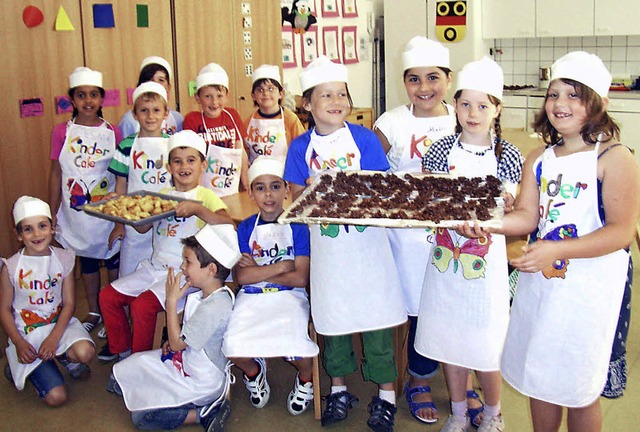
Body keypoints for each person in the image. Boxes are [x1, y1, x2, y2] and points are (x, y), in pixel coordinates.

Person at [470, 51, 639, 432]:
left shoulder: (615, 158)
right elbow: (528, 217)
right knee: (540, 374)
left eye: (574, 95)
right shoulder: (539, 158)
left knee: (579, 384)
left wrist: (557, 249)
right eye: (553, 94)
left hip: (590, 289)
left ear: (600, 103)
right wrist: (487, 222)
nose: (560, 104)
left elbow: (621, 231)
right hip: (542, 283)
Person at [284, 56, 407, 432]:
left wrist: (344, 192)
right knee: (333, 322)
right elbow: (293, 195)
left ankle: (386, 395)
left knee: (378, 321)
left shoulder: (364, 139)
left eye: (342, 94)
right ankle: (337, 389)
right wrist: (312, 193)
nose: (336, 101)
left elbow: (381, 190)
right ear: (307, 103)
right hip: (328, 255)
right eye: (326, 95)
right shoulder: (299, 147)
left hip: (370, 253)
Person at [373, 36, 482, 425]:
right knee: (421, 311)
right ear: (404, 83)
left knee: (461, 307)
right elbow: (371, 173)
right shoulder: (391, 123)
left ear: (448, 79)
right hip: (409, 240)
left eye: (433, 77)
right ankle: (418, 379)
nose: (424, 88)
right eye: (414, 79)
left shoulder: (465, 115)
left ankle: (464, 380)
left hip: (458, 235)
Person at [417, 56, 524, 432]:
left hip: (486, 266)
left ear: (497, 109)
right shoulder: (439, 149)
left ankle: (493, 413)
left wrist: (500, 212)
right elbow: (427, 199)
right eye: (465, 104)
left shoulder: (508, 155)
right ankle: (459, 412)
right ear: (455, 106)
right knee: (450, 341)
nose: (472, 113)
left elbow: (508, 210)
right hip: (445, 261)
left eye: (483, 105)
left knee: (486, 343)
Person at [99, 130, 233, 364]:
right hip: (154, 268)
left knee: (142, 307)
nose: (184, 166)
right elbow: (142, 228)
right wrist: (121, 207)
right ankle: (122, 350)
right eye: (177, 161)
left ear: (203, 165)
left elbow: (228, 224)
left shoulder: (206, 196)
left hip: (184, 275)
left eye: (191, 160)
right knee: (108, 295)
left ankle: (139, 361)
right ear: (169, 167)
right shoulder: (161, 195)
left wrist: (198, 210)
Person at [111, 224, 240, 431]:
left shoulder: (216, 306)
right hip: (186, 361)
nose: (182, 267)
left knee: (142, 418)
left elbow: (178, 343)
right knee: (124, 372)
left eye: (188, 262)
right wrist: (170, 345)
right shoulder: (203, 294)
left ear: (211, 269)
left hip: (202, 382)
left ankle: (203, 413)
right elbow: (183, 340)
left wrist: (171, 303)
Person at [223, 156, 318, 415]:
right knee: (231, 347)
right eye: (260, 187)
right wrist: (280, 267)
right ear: (251, 192)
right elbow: (241, 278)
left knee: (302, 353)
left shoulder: (298, 226)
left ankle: (306, 379)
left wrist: (258, 271)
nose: (268, 195)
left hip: (290, 297)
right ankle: (254, 370)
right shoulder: (244, 228)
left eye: (275, 186)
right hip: (251, 297)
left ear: (287, 190)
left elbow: (300, 279)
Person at [0, 196, 95, 406]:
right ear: (18, 235)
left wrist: (53, 339)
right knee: (56, 398)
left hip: (58, 325)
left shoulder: (64, 259)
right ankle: (20, 364)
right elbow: (5, 310)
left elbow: (69, 303)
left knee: (85, 352)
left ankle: (60, 355)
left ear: (52, 228)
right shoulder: (11, 267)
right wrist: (18, 342)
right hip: (28, 334)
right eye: (28, 229)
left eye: (42, 226)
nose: (36, 234)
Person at [49, 66, 122, 335]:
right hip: (76, 211)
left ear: (102, 99)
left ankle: (113, 310)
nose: (88, 101)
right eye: (81, 95)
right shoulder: (61, 131)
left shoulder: (112, 132)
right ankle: (94, 310)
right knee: (87, 261)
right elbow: (56, 172)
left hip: (105, 210)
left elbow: (120, 172)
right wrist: (52, 211)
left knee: (113, 259)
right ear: (72, 99)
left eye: (93, 95)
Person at [108, 81, 171, 279]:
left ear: (166, 113)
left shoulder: (173, 144)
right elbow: (120, 187)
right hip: (135, 223)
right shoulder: (126, 146)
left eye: (156, 110)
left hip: (167, 220)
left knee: (162, 274)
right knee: (130, 274)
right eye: (144, 110)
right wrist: (119, 224)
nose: (150, 116)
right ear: (134, 114)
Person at [183, 63, 249, 196]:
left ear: (227, 96)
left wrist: (246, 183)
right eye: (208, 96)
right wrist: (199, 193)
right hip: (204, 185)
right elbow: (191, 157)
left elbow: (240, 150)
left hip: (231, 184)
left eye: (219, 96)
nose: (214, 102)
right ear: (197, 98)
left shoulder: (232, 115)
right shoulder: (192, 120)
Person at [244, 65, 305, 164]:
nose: (266, 93)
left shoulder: (290, 119)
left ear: (281, 93)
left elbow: (302, 148)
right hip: (257, 173)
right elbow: (244, 153)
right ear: (253, 96)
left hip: (285, 173)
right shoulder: (248, 122)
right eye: (260, 90)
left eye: (271, 89)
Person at [118, 56, 183, 137]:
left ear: (169, 87)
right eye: (150, 80)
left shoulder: (177, 119)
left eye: (161, 80)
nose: (155, 84)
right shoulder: (128, 120)